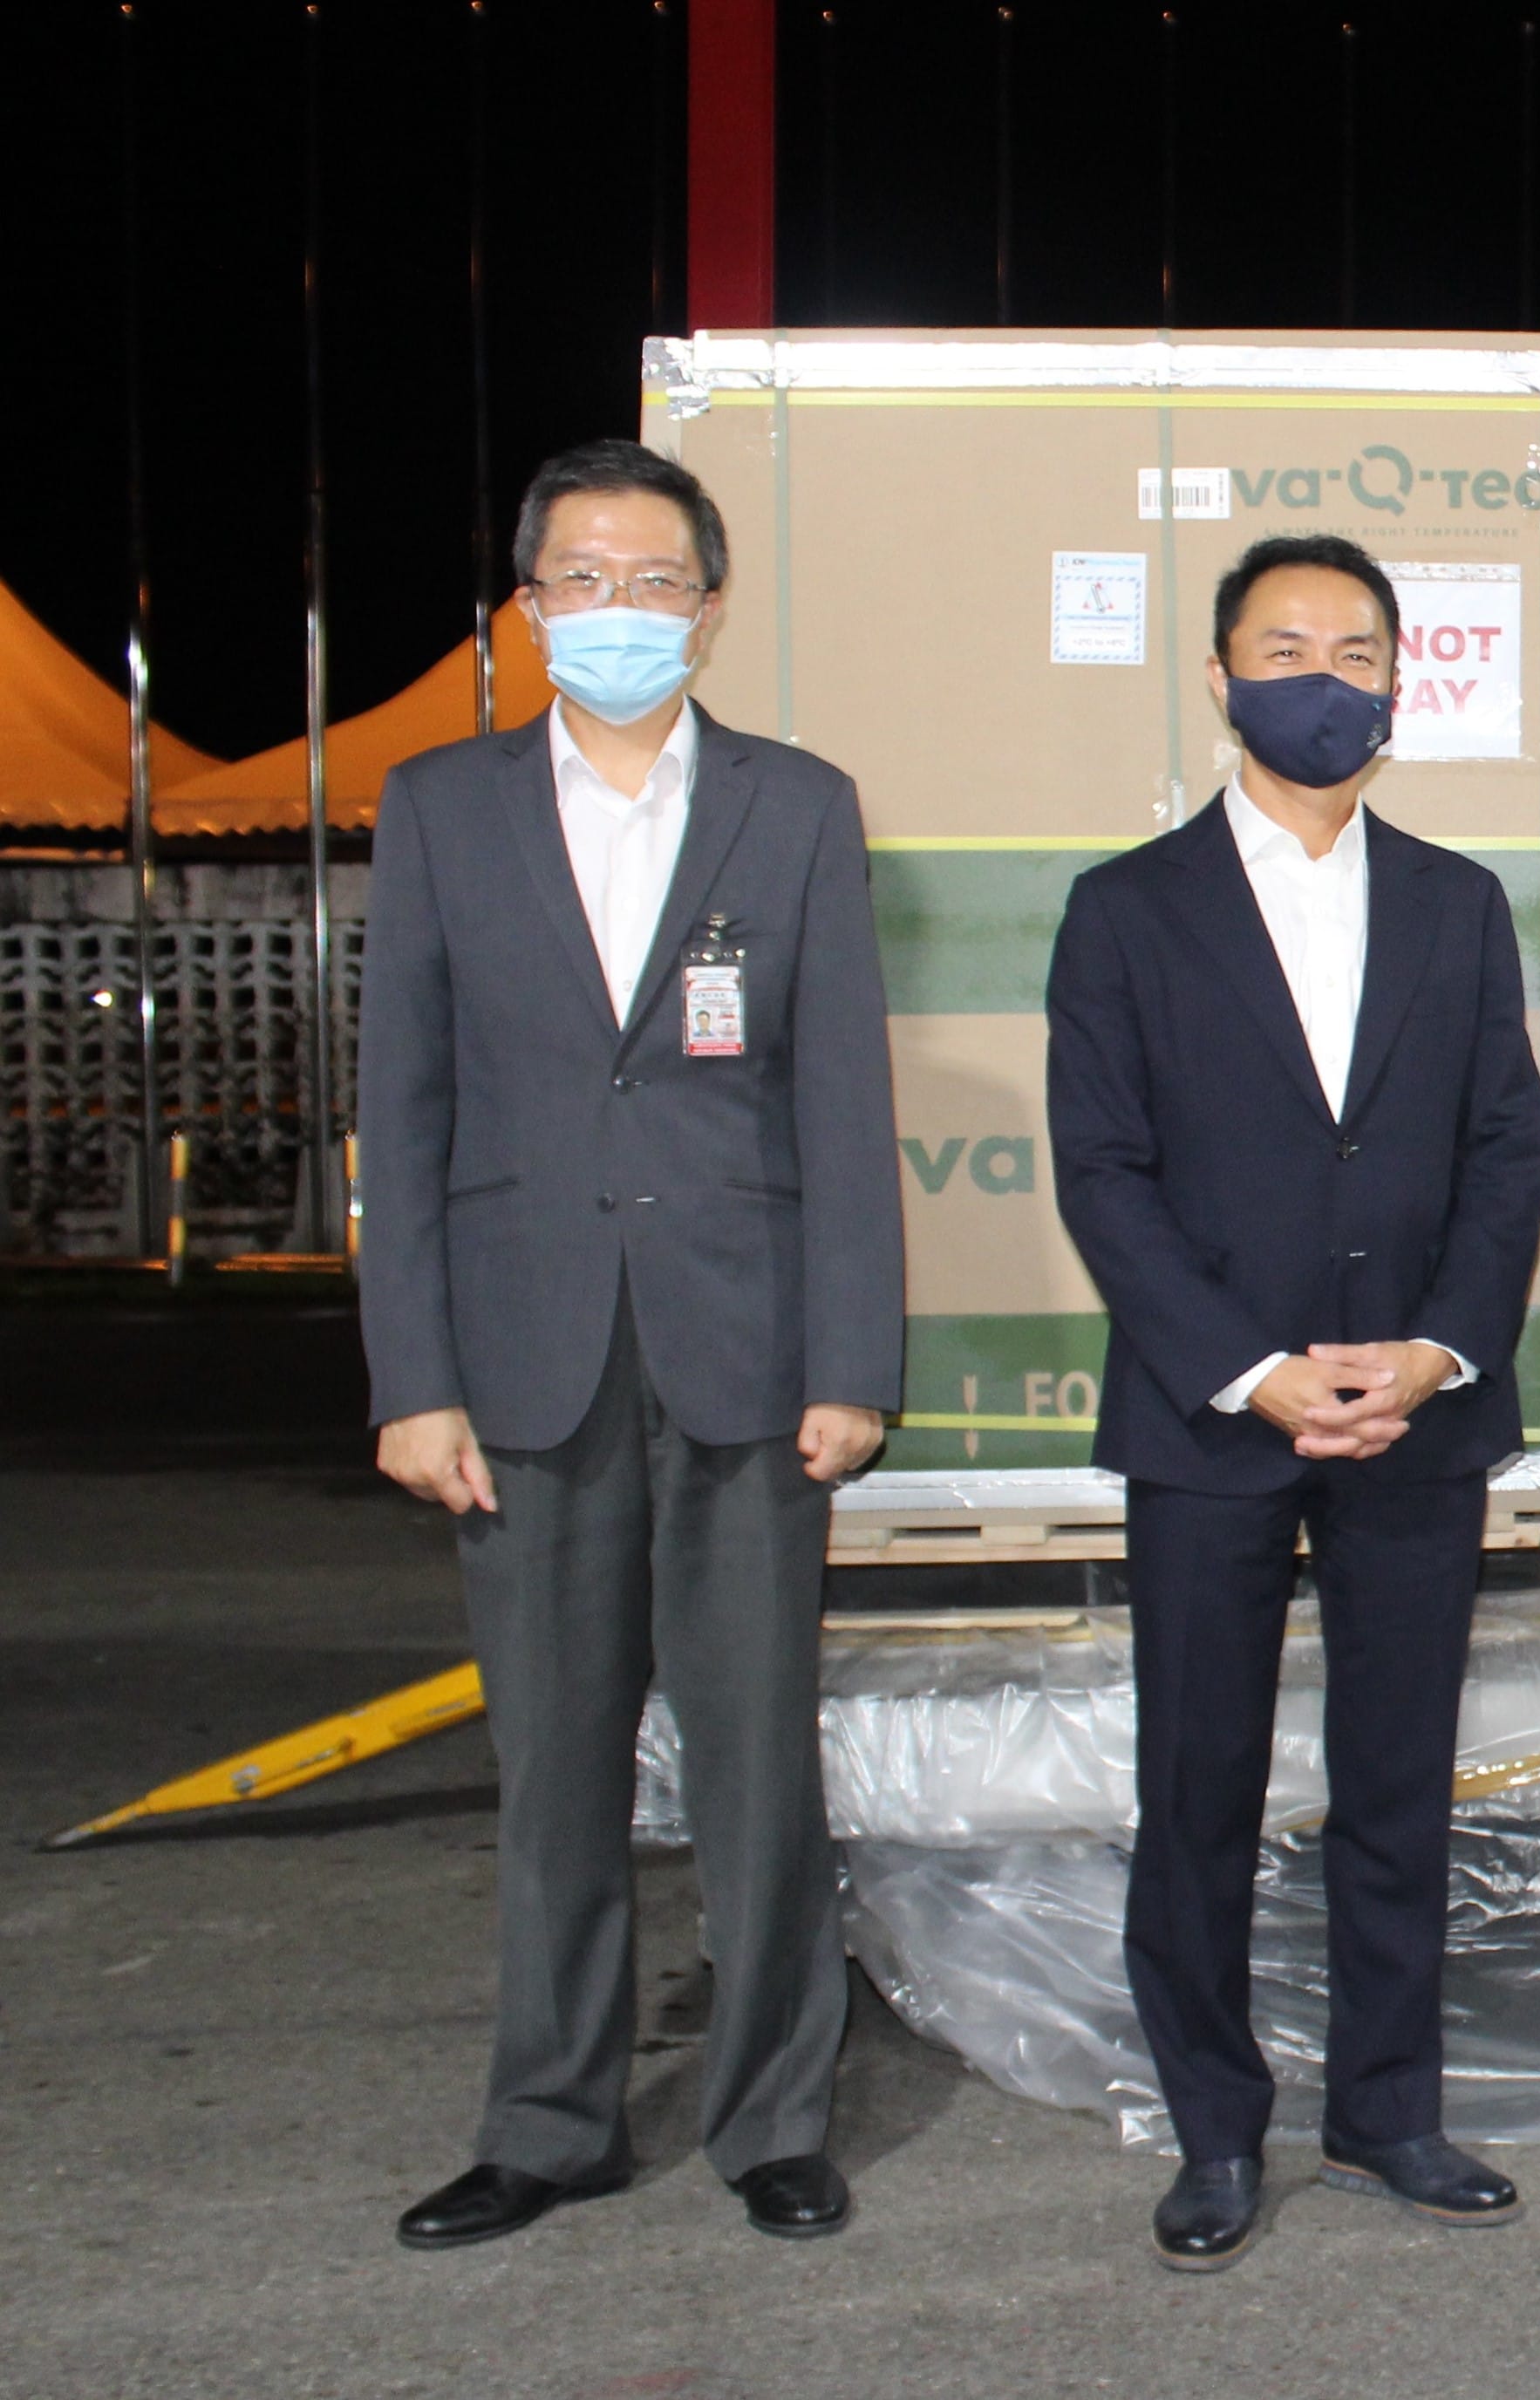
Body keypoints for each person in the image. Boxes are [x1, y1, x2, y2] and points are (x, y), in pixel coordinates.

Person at [360, 440, 900, 2249]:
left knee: (759, 1768)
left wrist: (855, 1361)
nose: (617, 610)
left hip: (747, 1359)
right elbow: (407, 1109)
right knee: (556, 1773)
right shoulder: (439, 807)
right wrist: (410, 1377)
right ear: (528, 609)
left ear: (711, 604)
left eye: (653, 580)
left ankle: (770, 2117)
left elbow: (840, 1101)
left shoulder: (796, 805)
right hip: (523, 1367)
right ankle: (547, 2120)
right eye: (580, 580)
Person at [1046, 532, 1540, 2268]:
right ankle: (1213, 2127)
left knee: (1396, 1776)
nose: (1321, 676)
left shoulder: (1457, 903)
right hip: (1212, 1418)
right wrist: (1255, 1370)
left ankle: (1389, 2107)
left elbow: (1507, 1150)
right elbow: (1102, 1170)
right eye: (1284, 645)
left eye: (1355, 648)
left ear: (1398, 680)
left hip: (1418, 1407)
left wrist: (1434, 1347)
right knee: (1198, 1781)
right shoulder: (1127, 907)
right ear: (1217, 675)